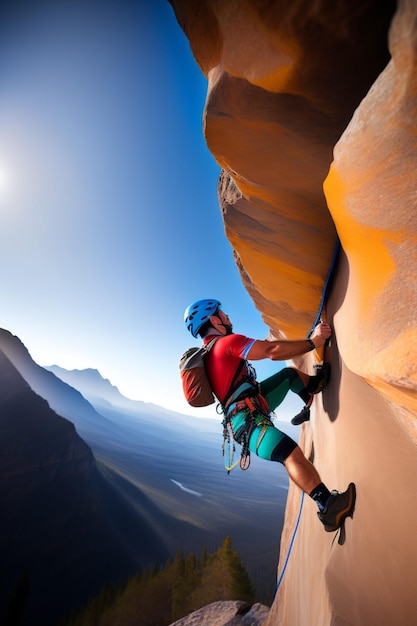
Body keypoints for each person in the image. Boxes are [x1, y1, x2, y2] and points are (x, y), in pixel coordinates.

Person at [183, 298, 356, 532]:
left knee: (289, 376)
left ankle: (312, 393)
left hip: (250, 410)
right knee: (290, 454)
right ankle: (327, 507)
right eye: (222, 314)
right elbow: (271, 351)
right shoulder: (227, 343)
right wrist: (314, 342)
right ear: (214, 319)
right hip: (249, 423)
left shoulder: (209, 354)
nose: (227, 317)